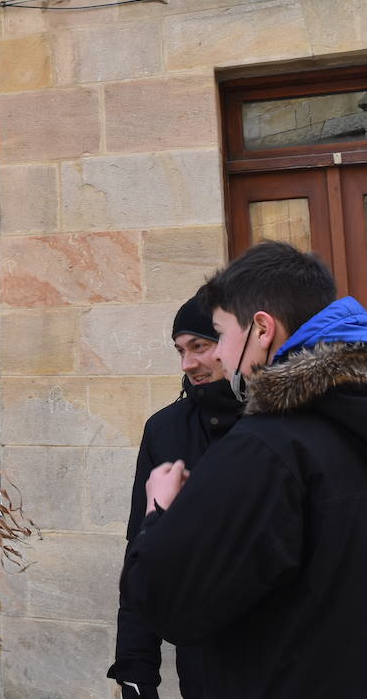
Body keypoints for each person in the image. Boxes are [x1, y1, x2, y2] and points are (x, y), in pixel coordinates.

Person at [121, 241, 367, 698]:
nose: (221, 357)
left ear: (262, 329)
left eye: (220, 335)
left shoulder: (269, 444)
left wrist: (161, 512)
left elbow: (167, 600)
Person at [108, 293, 244, 698]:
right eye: (181, 351)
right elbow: (142, 550)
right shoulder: (166, 429)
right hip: (201, 663)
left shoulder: (277, 423)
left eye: (200, 347)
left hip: (278, 657)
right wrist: (136, 668)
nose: (188, 364)